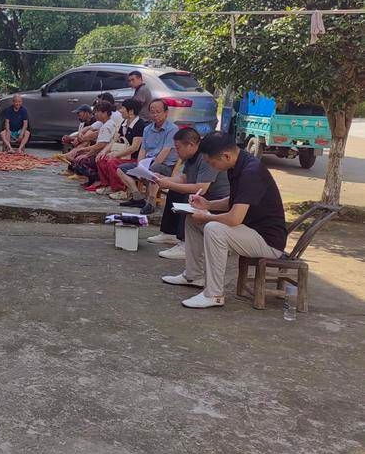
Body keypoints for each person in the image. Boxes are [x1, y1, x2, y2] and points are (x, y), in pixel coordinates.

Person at [162, 132, 288, 309]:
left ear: (226, 156)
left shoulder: (251, 172)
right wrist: (208, 204)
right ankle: (193, 275)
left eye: (211, 162)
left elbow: (234, 218)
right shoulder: (237, 165)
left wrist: (207, 216)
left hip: (267, 241)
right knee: (192, 218)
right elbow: (235, 200)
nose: (210, 166)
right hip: (249, 230)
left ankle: (213, 294)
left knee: (214, 229)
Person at [148, 128, 230, 260]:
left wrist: (169, 184)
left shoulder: (206, 157)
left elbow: (201, 188)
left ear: (191, 145)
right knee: (176, 190)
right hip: (206, 195)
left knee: (189, 195)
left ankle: (186, 243)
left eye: (178, 148)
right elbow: (184, 178)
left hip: (216, 199)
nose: (176, 151)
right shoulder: (190, 157)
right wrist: (164, 179)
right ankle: (170, 233)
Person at [116, 99, 179, 214]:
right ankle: (137, 197)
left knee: (154, 169)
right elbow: (143, 150)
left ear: (166, 113)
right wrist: (140, 167)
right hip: (148, 164)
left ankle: (151, 202)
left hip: (164, 166)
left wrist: (148, 171)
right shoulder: (147, 129)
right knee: (121, 169)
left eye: (158, 112)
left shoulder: (172, 129)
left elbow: (165, 152)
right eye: (152, 112)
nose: (155, 115)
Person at [98, 99, 147, 197]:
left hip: (133, 158)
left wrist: (116, 155)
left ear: (131, 111)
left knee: (112, 162)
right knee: (101, 158)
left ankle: (120, 190)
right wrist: (104, 151)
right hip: (122, 155)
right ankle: (108, 185)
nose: (120, 110)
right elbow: (114, 140)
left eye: (123, 108)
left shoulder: (139, 124)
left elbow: (134, 147)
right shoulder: (124, 122)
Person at [71, 103, 119, 189]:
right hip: (100, 152)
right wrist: (86, 152)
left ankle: (98, 180)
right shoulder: (104, 124)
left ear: (105, 113)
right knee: (79, 156)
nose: (95, 114)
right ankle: (92, 180)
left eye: (97, 112)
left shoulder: (108, 125)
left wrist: (85, 152)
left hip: (104, 154)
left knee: (81, 161)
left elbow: (101, 145)